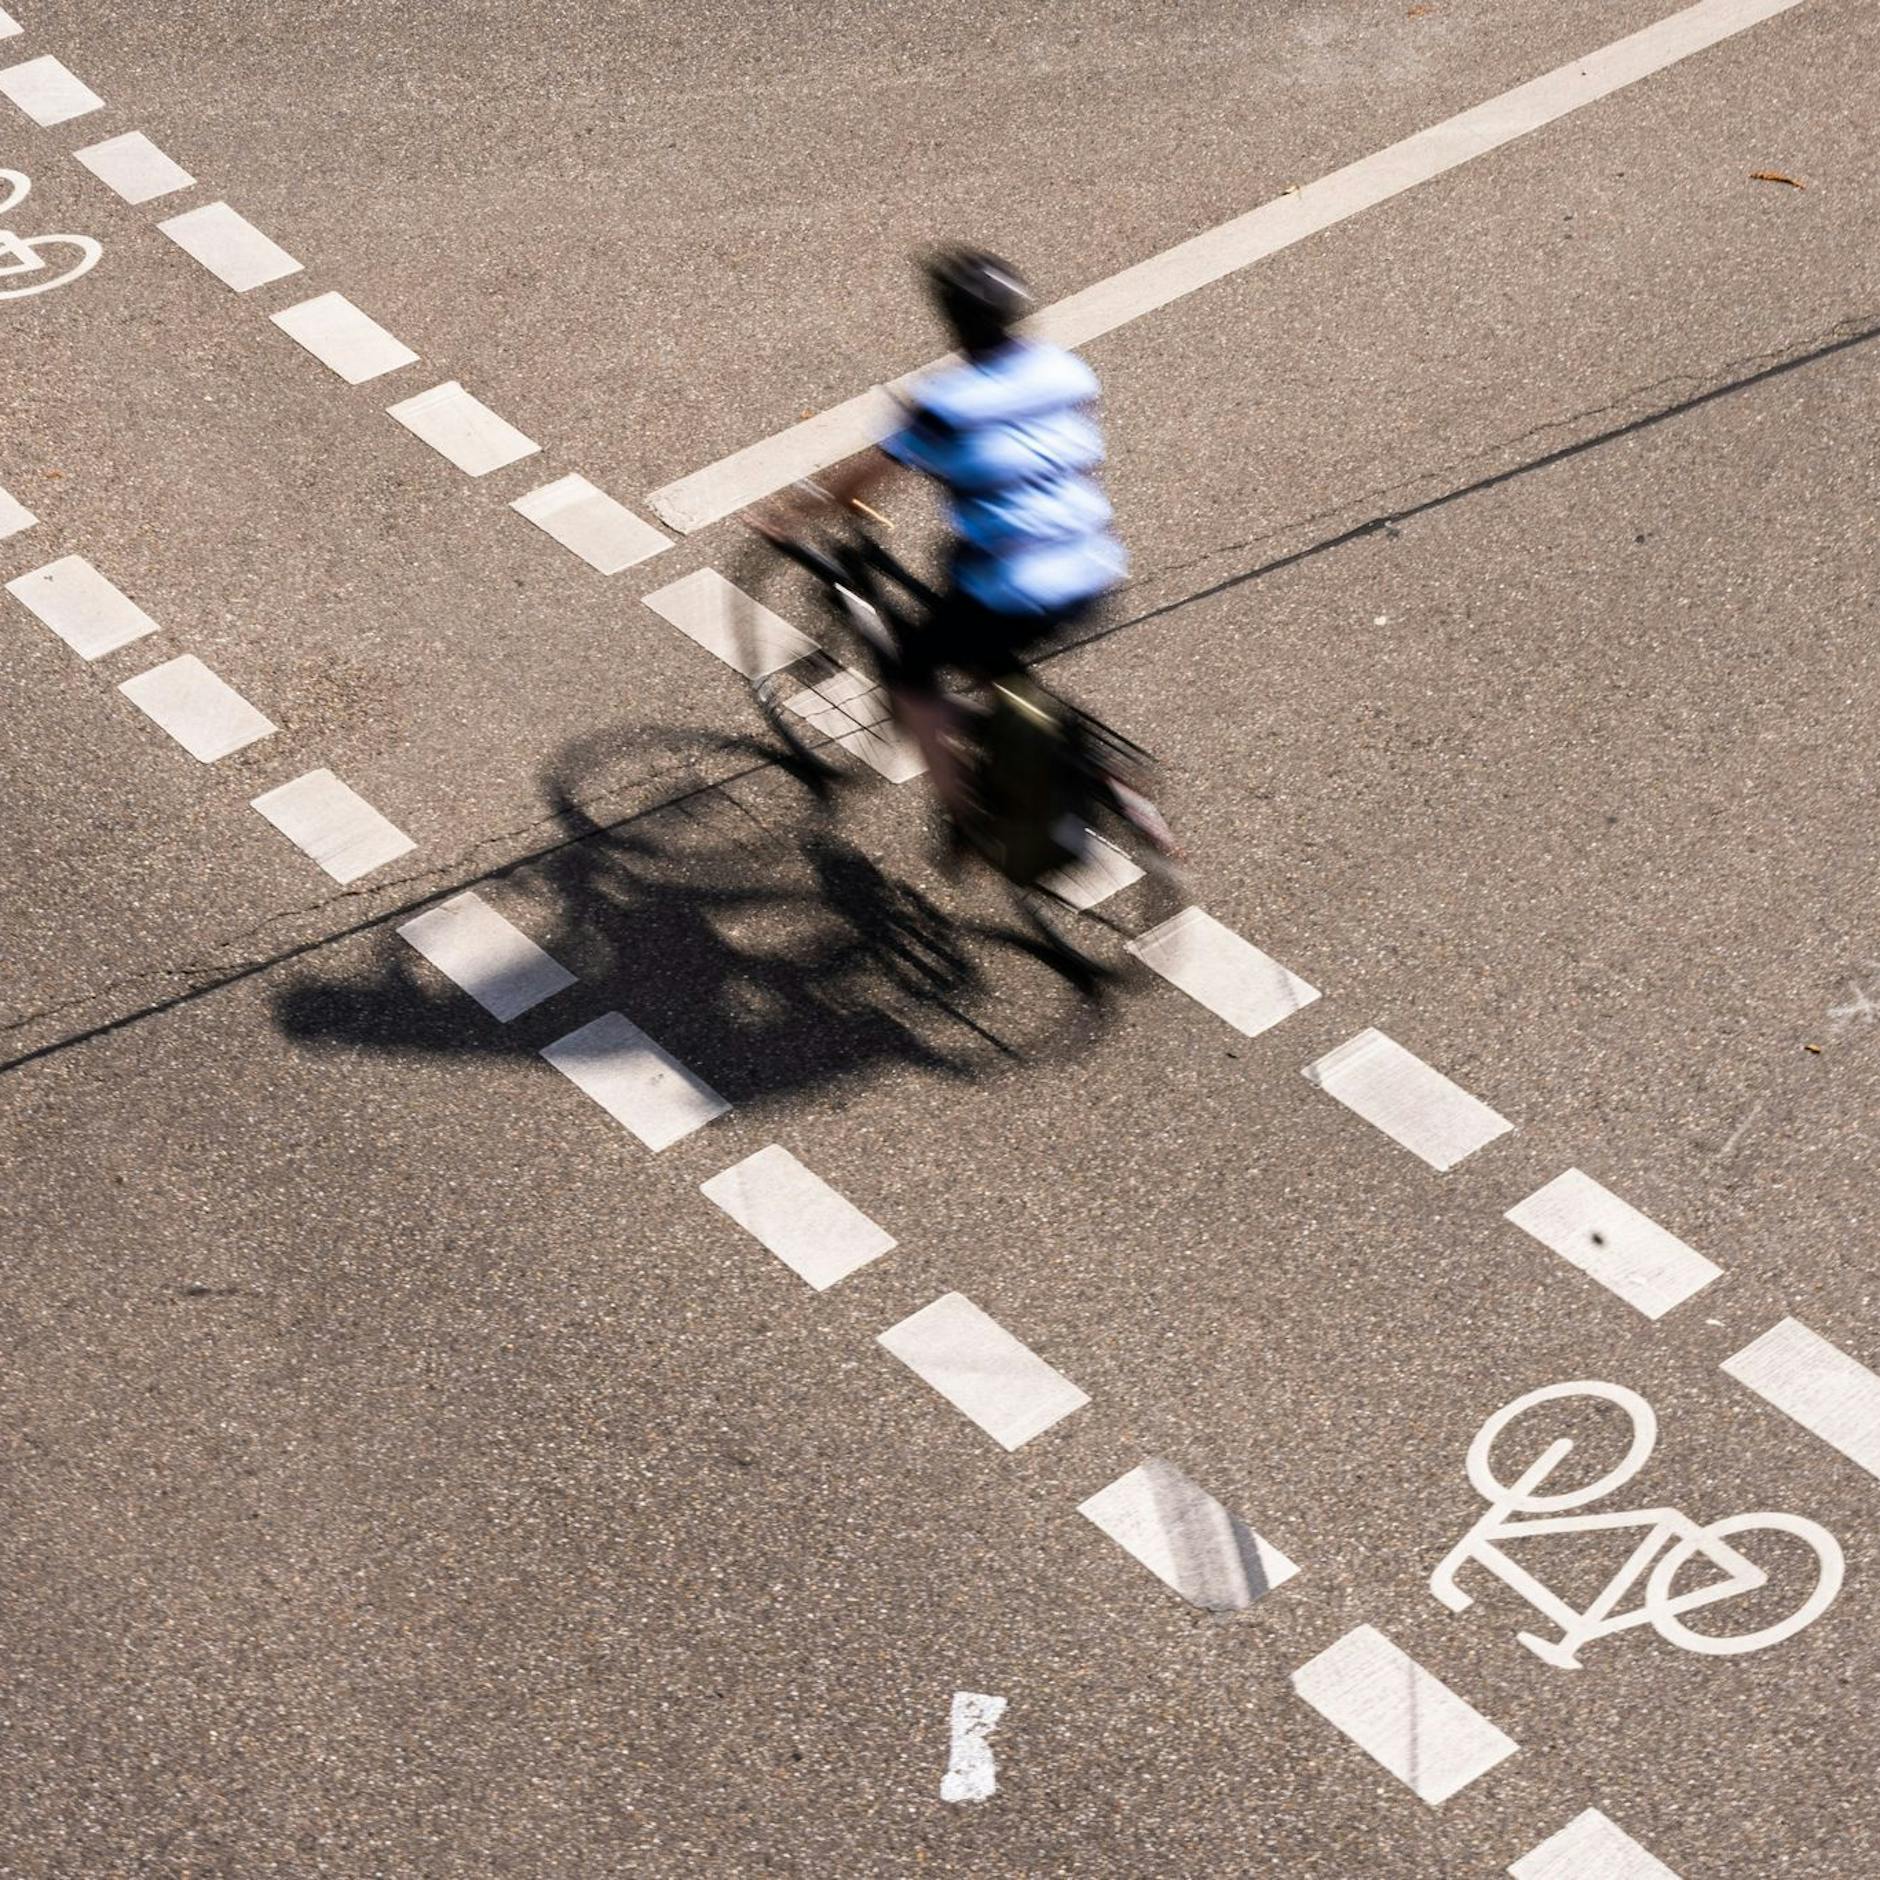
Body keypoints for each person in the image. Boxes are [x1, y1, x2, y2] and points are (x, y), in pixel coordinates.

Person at [755, 247, 1125, 812]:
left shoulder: (947, 404)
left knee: (911, 681)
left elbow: (863, 480)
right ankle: (1070, 754)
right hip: (1094, 565)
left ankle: (959, 810)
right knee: (963, 595)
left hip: (1013, 584)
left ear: (953, 324)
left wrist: (792, 516)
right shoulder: (1065, 370)